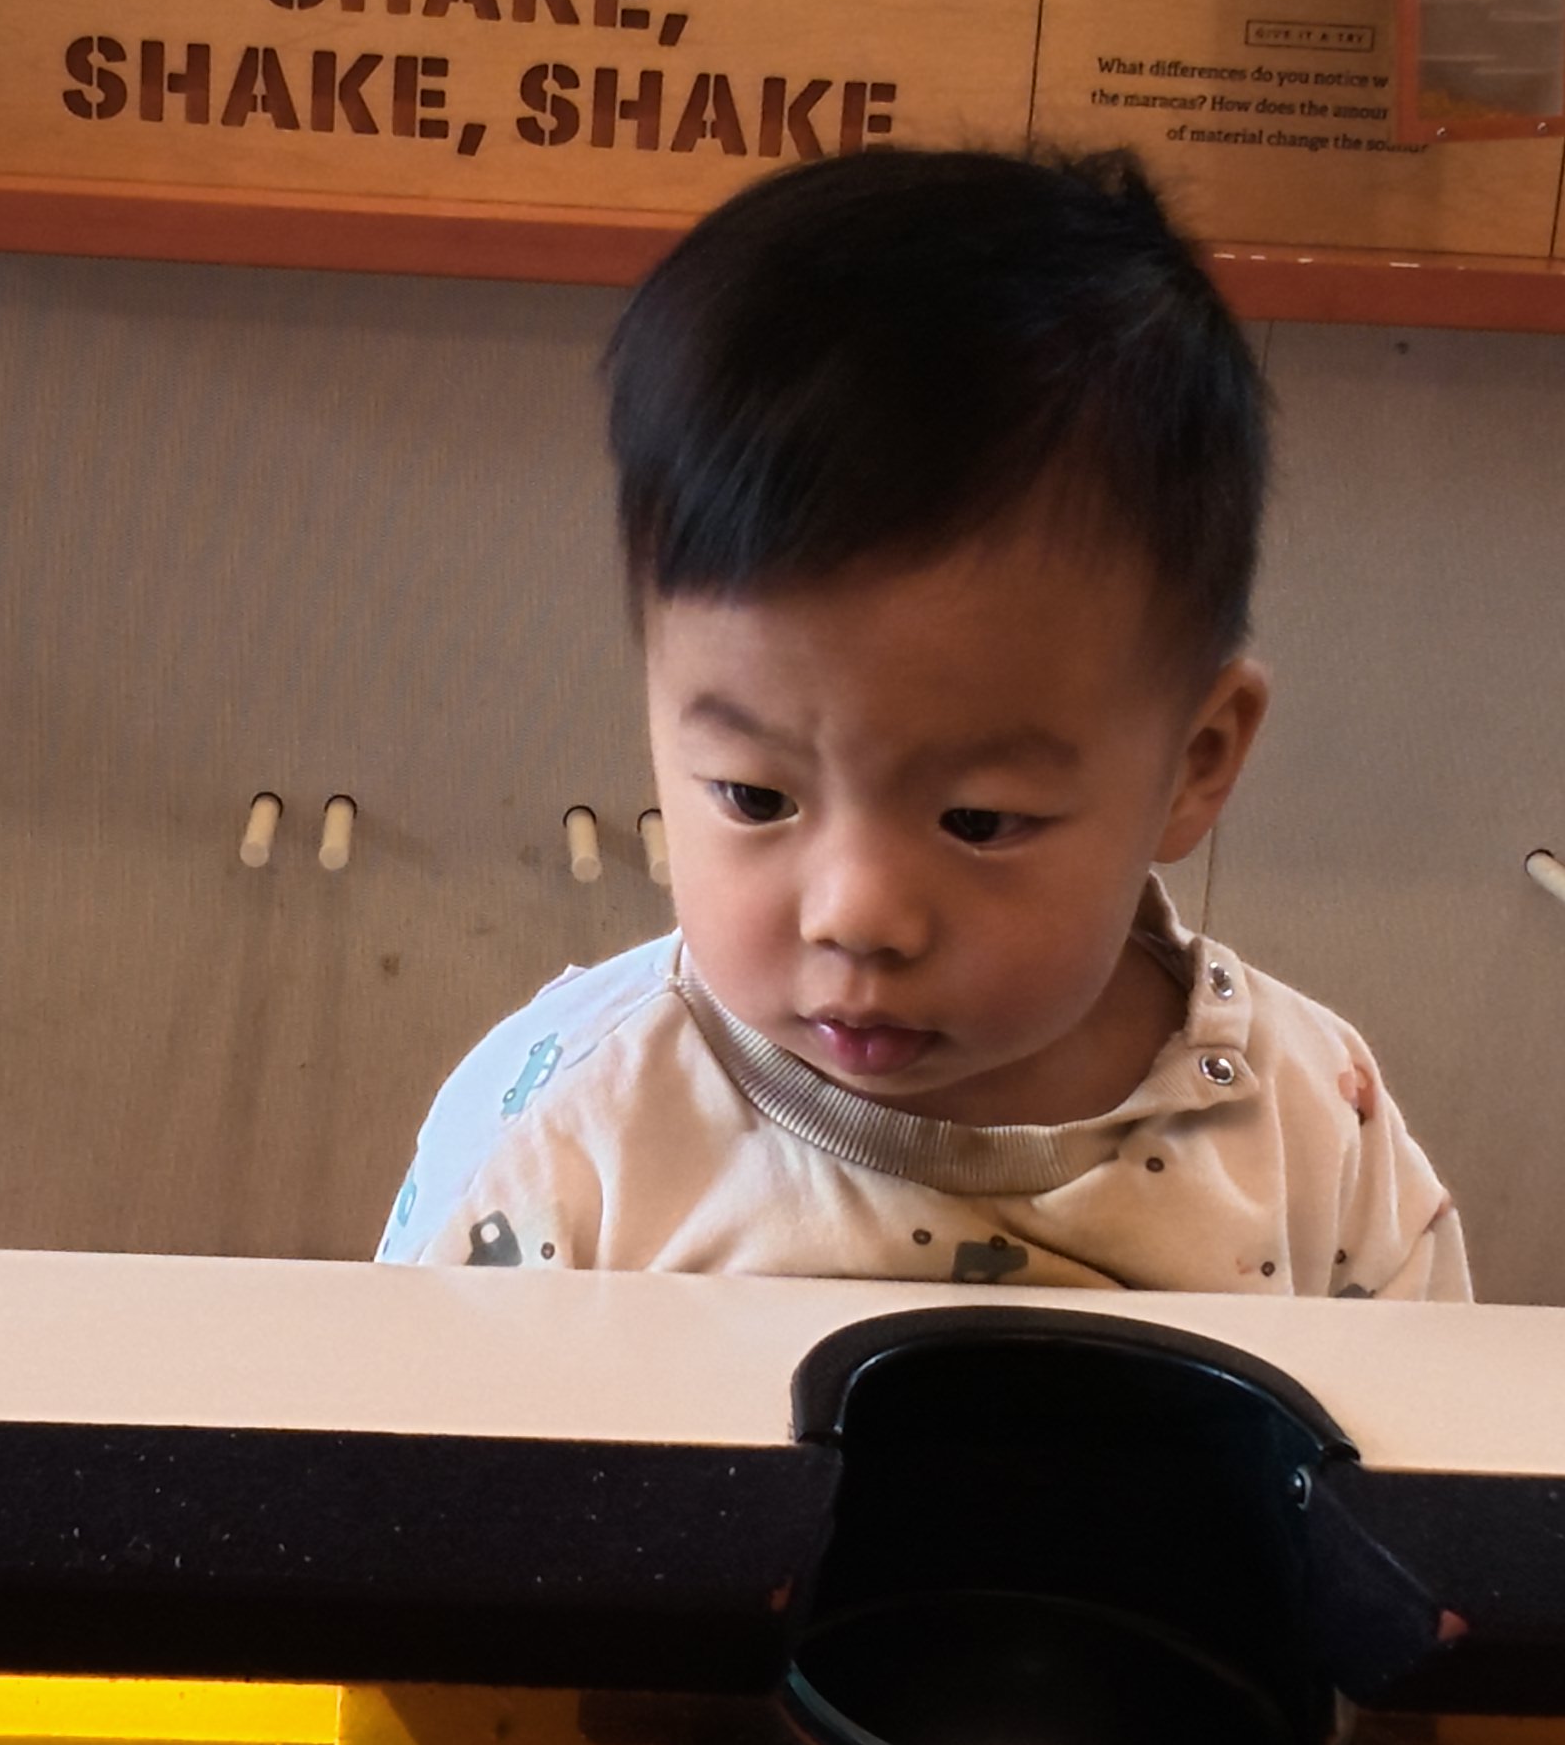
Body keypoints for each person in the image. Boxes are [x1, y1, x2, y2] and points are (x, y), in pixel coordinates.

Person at [378, 145, 1466, 1296]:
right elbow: (400, 1409)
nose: (857, 917)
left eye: (979, 820)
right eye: (755, 797)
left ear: (1194, 762)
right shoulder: (570, 1130)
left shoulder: (1307, 1124)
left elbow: (1423, 1413)